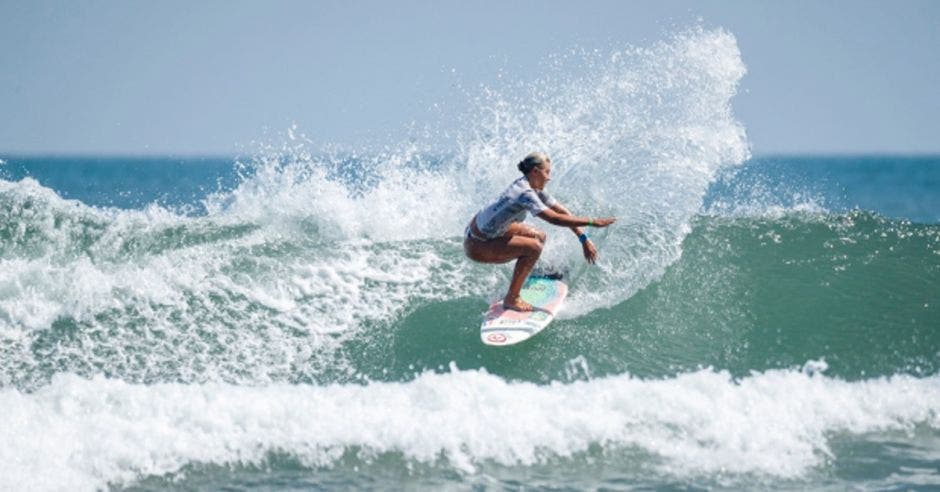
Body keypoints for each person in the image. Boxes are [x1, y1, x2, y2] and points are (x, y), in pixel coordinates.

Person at [464, 152, 616, 311]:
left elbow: (561, 212)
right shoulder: (525, 193)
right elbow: (554, 218)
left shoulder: (530, 186)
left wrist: (583, 238)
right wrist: (593, 222)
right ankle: (512, 298)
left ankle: (528, 272)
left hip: (486, 231)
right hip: (478, 244)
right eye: (547, 172)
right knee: (533, 247)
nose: (549, 177)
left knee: (539, 236)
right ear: (535, 171)